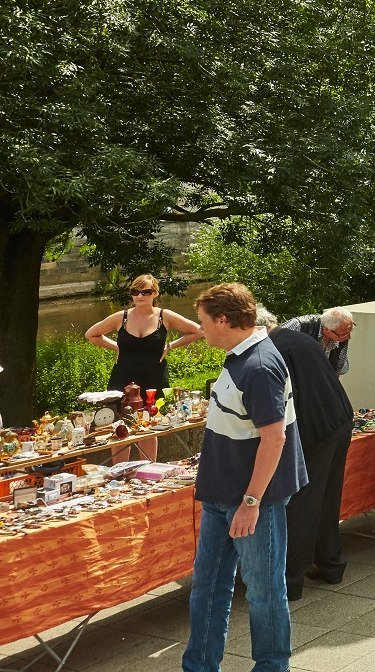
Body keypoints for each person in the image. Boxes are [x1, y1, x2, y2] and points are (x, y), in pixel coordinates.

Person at [181, 283, 306, 672]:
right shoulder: (245, 356)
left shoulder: (258, 365)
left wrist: (251, 503)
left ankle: (272, 666)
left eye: (203, 322)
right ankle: (199, 666)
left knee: (265, 591)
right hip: (225, 496)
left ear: (224, 320)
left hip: (249, 502)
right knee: (209, 587)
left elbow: (275, 437)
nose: (200, 330)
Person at [257, 307, 353, 601]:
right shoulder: (299, 339)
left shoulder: (272, 348)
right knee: (327, 496)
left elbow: (282, 399)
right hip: (339, 419)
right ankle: (330, 565)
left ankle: (290, 580)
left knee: (303, 502)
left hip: (318, 428)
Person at [84, 273, 203, 461]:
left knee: (149, 423)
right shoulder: (121, 317)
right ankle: (120, 471)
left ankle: (147, 468)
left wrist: (170, 346)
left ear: (155, 293)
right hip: (123, 377)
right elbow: (91, 334)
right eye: (135, 291)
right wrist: (117, 347)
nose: (140, 296)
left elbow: (198, 331)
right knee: (119, 425)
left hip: (153, 377)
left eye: (145, 292)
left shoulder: (164, 316)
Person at [278, 308, 355, 376]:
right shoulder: (299, 325)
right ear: (326, 329)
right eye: (344, 334)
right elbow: (272, 343)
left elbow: (339, 369)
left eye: (350, 331)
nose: (349, 337)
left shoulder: (341, 336)